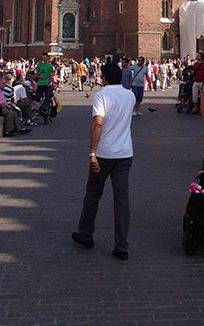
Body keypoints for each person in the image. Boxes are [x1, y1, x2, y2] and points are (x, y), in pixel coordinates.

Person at [72, 62, 135, 260]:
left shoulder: (101, 95)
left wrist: (92, 152)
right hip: (125, 153)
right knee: (121, 200)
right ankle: (121, 246)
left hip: (104, 154)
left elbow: (98, 123)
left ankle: (85, 235)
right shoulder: (130, 95)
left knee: (92, 194)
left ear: (104, 78)